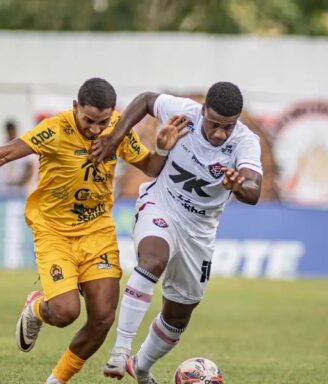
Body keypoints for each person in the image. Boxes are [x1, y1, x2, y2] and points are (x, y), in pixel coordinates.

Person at [0, 78, 189, 383]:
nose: (96, 129)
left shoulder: (118, 130)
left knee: (102, 317)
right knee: (64, 312)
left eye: (103, 121)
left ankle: (56, 380)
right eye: (89, 120)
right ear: (75, 108)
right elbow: (7, 153)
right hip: (54, 232)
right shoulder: (55, 130)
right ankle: (36, 309)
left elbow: (151, 168)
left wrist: (163, 150)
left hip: (96, 231)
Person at [91, 82, 263, 383]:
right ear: (203, 111)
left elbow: (254, 190)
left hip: (199, 231)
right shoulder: (185, 113)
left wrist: (240, 186)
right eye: (214, 124)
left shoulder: (246, 142)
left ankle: (140, 366)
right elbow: (145, 100)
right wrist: (113, 137)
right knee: (152, 261)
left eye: (228, 126)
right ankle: (120, 349)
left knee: (178, 315)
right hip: (162, 205)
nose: (220, 133)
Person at [0, 120, 34, 196]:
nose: (11, 134)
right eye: (9, 132)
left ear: (15, 131)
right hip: (2, 187)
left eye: (12, 131)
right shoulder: (1, 147)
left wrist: (24, 183)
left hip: (19, 188)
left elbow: (29, 168)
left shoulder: (23, 146)